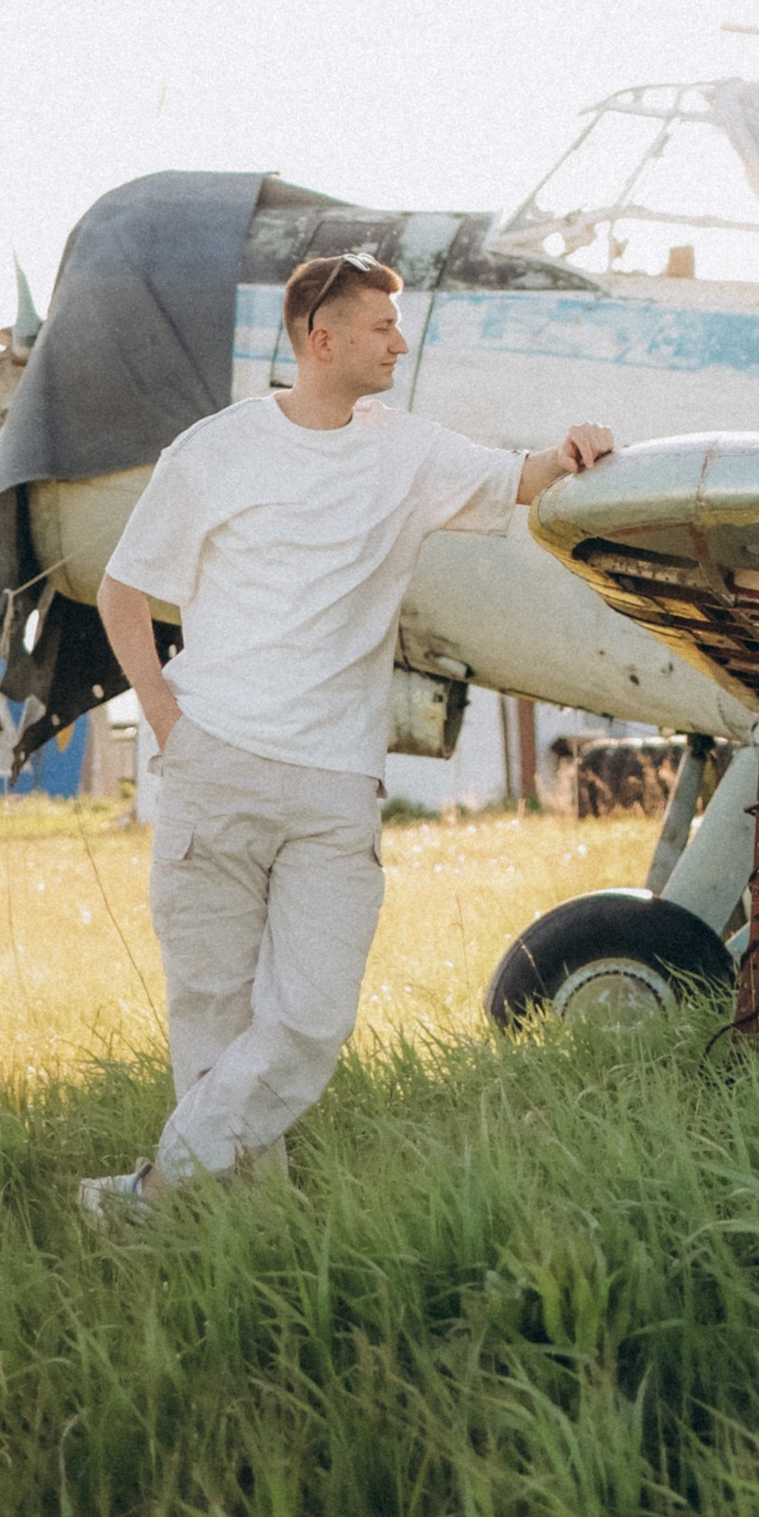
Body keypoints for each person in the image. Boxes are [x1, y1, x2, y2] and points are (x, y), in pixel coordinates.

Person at [79, 247, 615, 1220]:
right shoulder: (215, 450)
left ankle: (151, 1192)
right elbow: (123, 591)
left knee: (311, 1019)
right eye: (381, 326)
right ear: (322, 340)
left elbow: (525, 478)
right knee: (212, 1014)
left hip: (332, 789)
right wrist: (167, 724)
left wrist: (575, 448)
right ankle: (236, 1237)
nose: (398, 343)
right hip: (216, 767)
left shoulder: (407, 453)